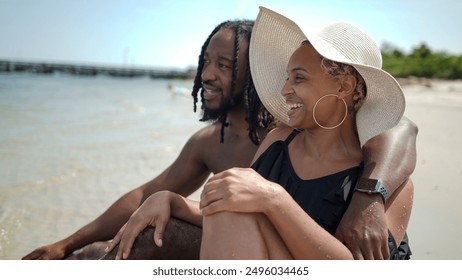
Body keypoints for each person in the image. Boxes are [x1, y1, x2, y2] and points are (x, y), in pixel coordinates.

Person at [23, 16, 416, 261]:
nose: (207, 75)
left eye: (225, 66)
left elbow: (403, 129)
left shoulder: (376, 170)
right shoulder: (268, 141)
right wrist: (169, 202)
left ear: (345, 84)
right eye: (205, 63)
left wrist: (366, 196)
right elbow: (162, 194)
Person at [198, 7, 414, 259]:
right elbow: (241, 212)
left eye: (298, 78)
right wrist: (172, 202)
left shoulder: (385, 184)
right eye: (287, 78)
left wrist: (276, 200)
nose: (285, 90)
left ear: (344, 86)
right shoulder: (278, 142)